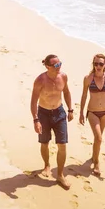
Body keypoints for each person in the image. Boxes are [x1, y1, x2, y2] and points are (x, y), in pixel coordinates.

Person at [30, 54, 74, 189]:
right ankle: (47, 165)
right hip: (43, 114)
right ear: (48, 66)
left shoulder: (63, 76)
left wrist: (70, 109)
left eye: (60, 63)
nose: (59, 66)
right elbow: (33, 101)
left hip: (59, 113)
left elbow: (66, 92)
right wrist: (36, 120)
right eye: (56, 65)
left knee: (62, 144)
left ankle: (60, 175)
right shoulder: (40, 80)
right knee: (44, 142)